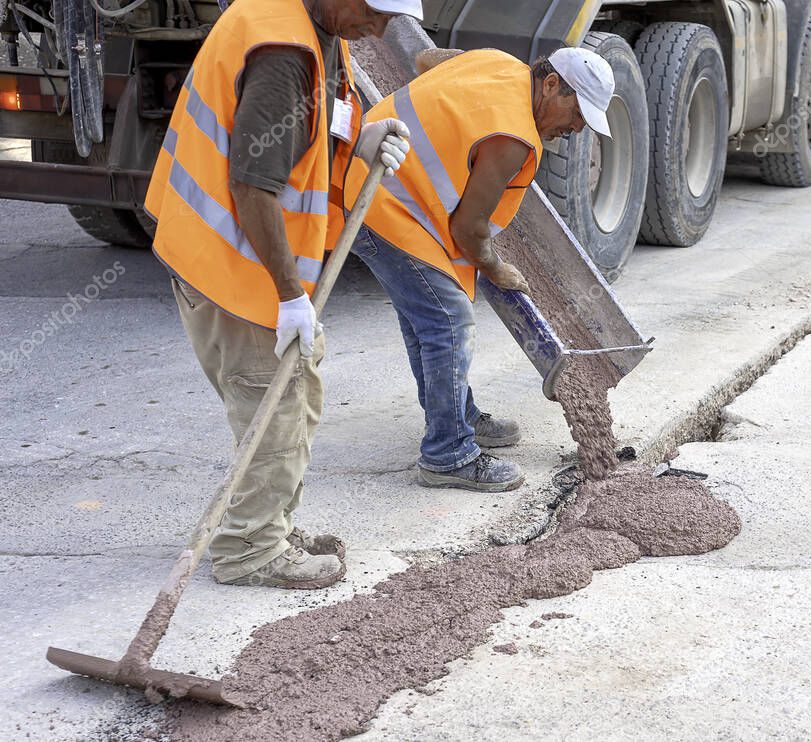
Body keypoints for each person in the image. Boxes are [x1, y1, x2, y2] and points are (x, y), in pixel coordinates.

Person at [143, 0, 421, 589]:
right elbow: (252, 185)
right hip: (235, 269)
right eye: (377, 14)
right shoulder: (282, 53)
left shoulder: (315, 28)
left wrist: (359, 141)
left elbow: (310, 128)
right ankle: (250, 551)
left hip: (233, 262)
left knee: (296, 389)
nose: (381, 29)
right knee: (276, 405)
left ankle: (269, 524)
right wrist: (290, 295)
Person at [345, 46, 614, 492]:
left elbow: (427, 59)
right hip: (383, 203)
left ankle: (456, 414)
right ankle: (448, 454)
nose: (577, 127)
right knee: (447, 320)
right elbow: (468, 229)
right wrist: (496, 268)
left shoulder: (498, 63)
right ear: (550, 84)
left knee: (426, 318)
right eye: (578, 111)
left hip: (376, 185)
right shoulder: (511, 137)